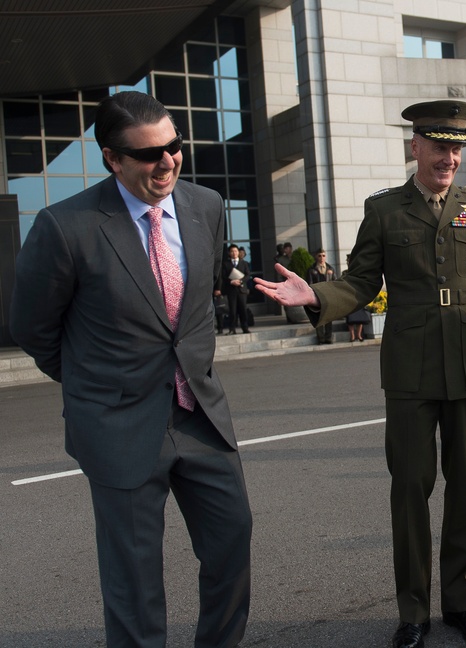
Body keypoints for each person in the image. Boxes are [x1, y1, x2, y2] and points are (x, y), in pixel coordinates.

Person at [254, 99, 466, 648]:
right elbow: (357, 282)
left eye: (456, 148)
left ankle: (462, 603)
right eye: (439, 146)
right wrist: (318, 297)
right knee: (410, 489)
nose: (448, 157)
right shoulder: (384, 210)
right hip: (409, 369)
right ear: (415, 147)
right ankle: (413, 612)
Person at [9, 91, 252, 648]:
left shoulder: (206, 206)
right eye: (148, 155)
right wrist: (97, 387)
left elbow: (196, 307)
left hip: (199, 417)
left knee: (232, 542)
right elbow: (33, 328)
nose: (166, 162)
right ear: (112, 159)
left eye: (173, 147)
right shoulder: (64, 226)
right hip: (118, 428)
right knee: (135, 584)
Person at [217, 243, 251, 334]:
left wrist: (241, 281)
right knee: (232, 310)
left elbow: (248, 275)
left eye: (235, 251)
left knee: (243, 309)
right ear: (229, 253)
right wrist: (231, 281)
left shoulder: (244, 263)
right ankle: (232, 329)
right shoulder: (225, 264)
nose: (234, 253)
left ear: (238, 252)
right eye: (232, 251)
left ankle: (245, 327)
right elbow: (223, 276)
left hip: (241, 290)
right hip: (231, 290)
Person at [306, 248, 336, 343]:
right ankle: (321, 338)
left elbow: (335, 282)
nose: (322, 258)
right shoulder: (312, 270)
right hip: (317, 296)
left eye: (323, 255)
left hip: (328, 295)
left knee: (328, 316)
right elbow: (309, 283)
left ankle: (328, 337)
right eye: (319, 255)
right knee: (319, 317)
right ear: (316, 256)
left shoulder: (330, 268)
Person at [344, 253, 372, 342]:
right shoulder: (345, 272)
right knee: (350, 316)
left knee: (360, 315)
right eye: (348, 261)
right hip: (349, 295)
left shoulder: (359, 270)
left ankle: (359, 335)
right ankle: (352, 335)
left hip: (358, 295)